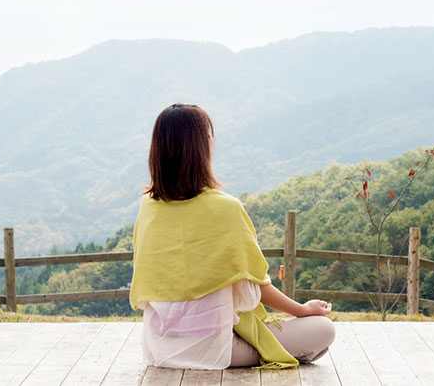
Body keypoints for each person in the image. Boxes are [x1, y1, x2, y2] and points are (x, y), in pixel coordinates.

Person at [130, 103, 336, 369]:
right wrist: (304, 310)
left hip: (160, 348)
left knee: (306, 339)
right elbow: (258, 287)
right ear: (203, 146)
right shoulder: (226, 208)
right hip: (216, 349)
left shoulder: (148, 207)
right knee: (322, 330)